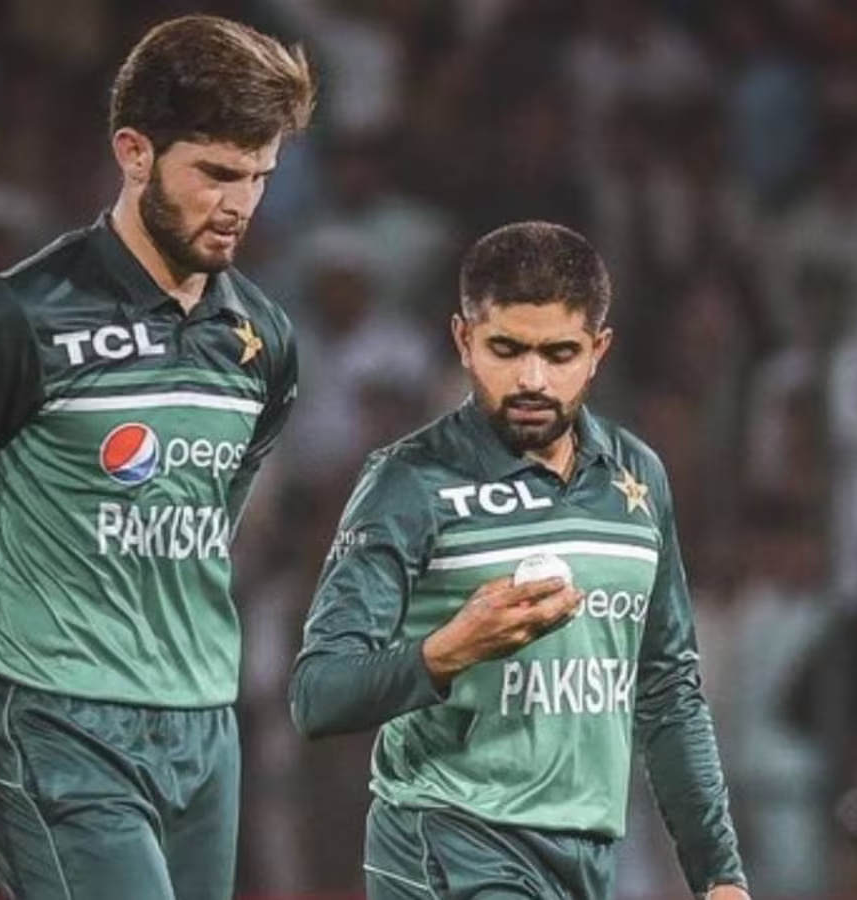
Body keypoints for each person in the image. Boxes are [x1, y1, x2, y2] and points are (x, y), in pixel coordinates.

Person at [0, 15, 314, 900]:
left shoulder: (262, 341)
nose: (240, 204)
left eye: (259, 177)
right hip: (53, 729)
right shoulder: (16, 318)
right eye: (215, 173)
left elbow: (203, 528)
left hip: (206, 733)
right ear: (133, 151)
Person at [290, 221, 750, 900]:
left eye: (560, 354)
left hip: (585, 855)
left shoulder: (637, 479)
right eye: (507, 349)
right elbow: (318, 693)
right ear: (463, 341)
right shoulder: (410, 483)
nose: (533, 378)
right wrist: (449, 650)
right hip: (448, 842)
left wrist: (719, 875)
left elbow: (667, 690)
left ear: (598, 351)